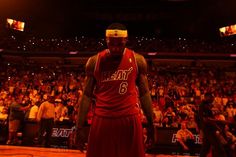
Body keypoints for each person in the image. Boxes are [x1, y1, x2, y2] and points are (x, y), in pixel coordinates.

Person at [76, 23, 154, 157]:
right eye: (112, 44)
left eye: (119, 44)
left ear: (126, 40)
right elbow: (87, 95)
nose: (116, 48)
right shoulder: (94, 61)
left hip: (129, 118)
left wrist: (151, 123)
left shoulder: (138, 60)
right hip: (102, 119)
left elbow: (145, 93)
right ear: (106, 40)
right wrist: (79, 126)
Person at [197, 92, 227, 157]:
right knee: (219, 147)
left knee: (205, 148)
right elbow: (206, 120)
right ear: (207, 97)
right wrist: (219, 122)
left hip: (209, 129)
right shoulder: (202, 106)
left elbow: (210, 119)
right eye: (212, 97)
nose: (213, 98)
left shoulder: (208, 105)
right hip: (208, 129)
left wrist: (217, 126)